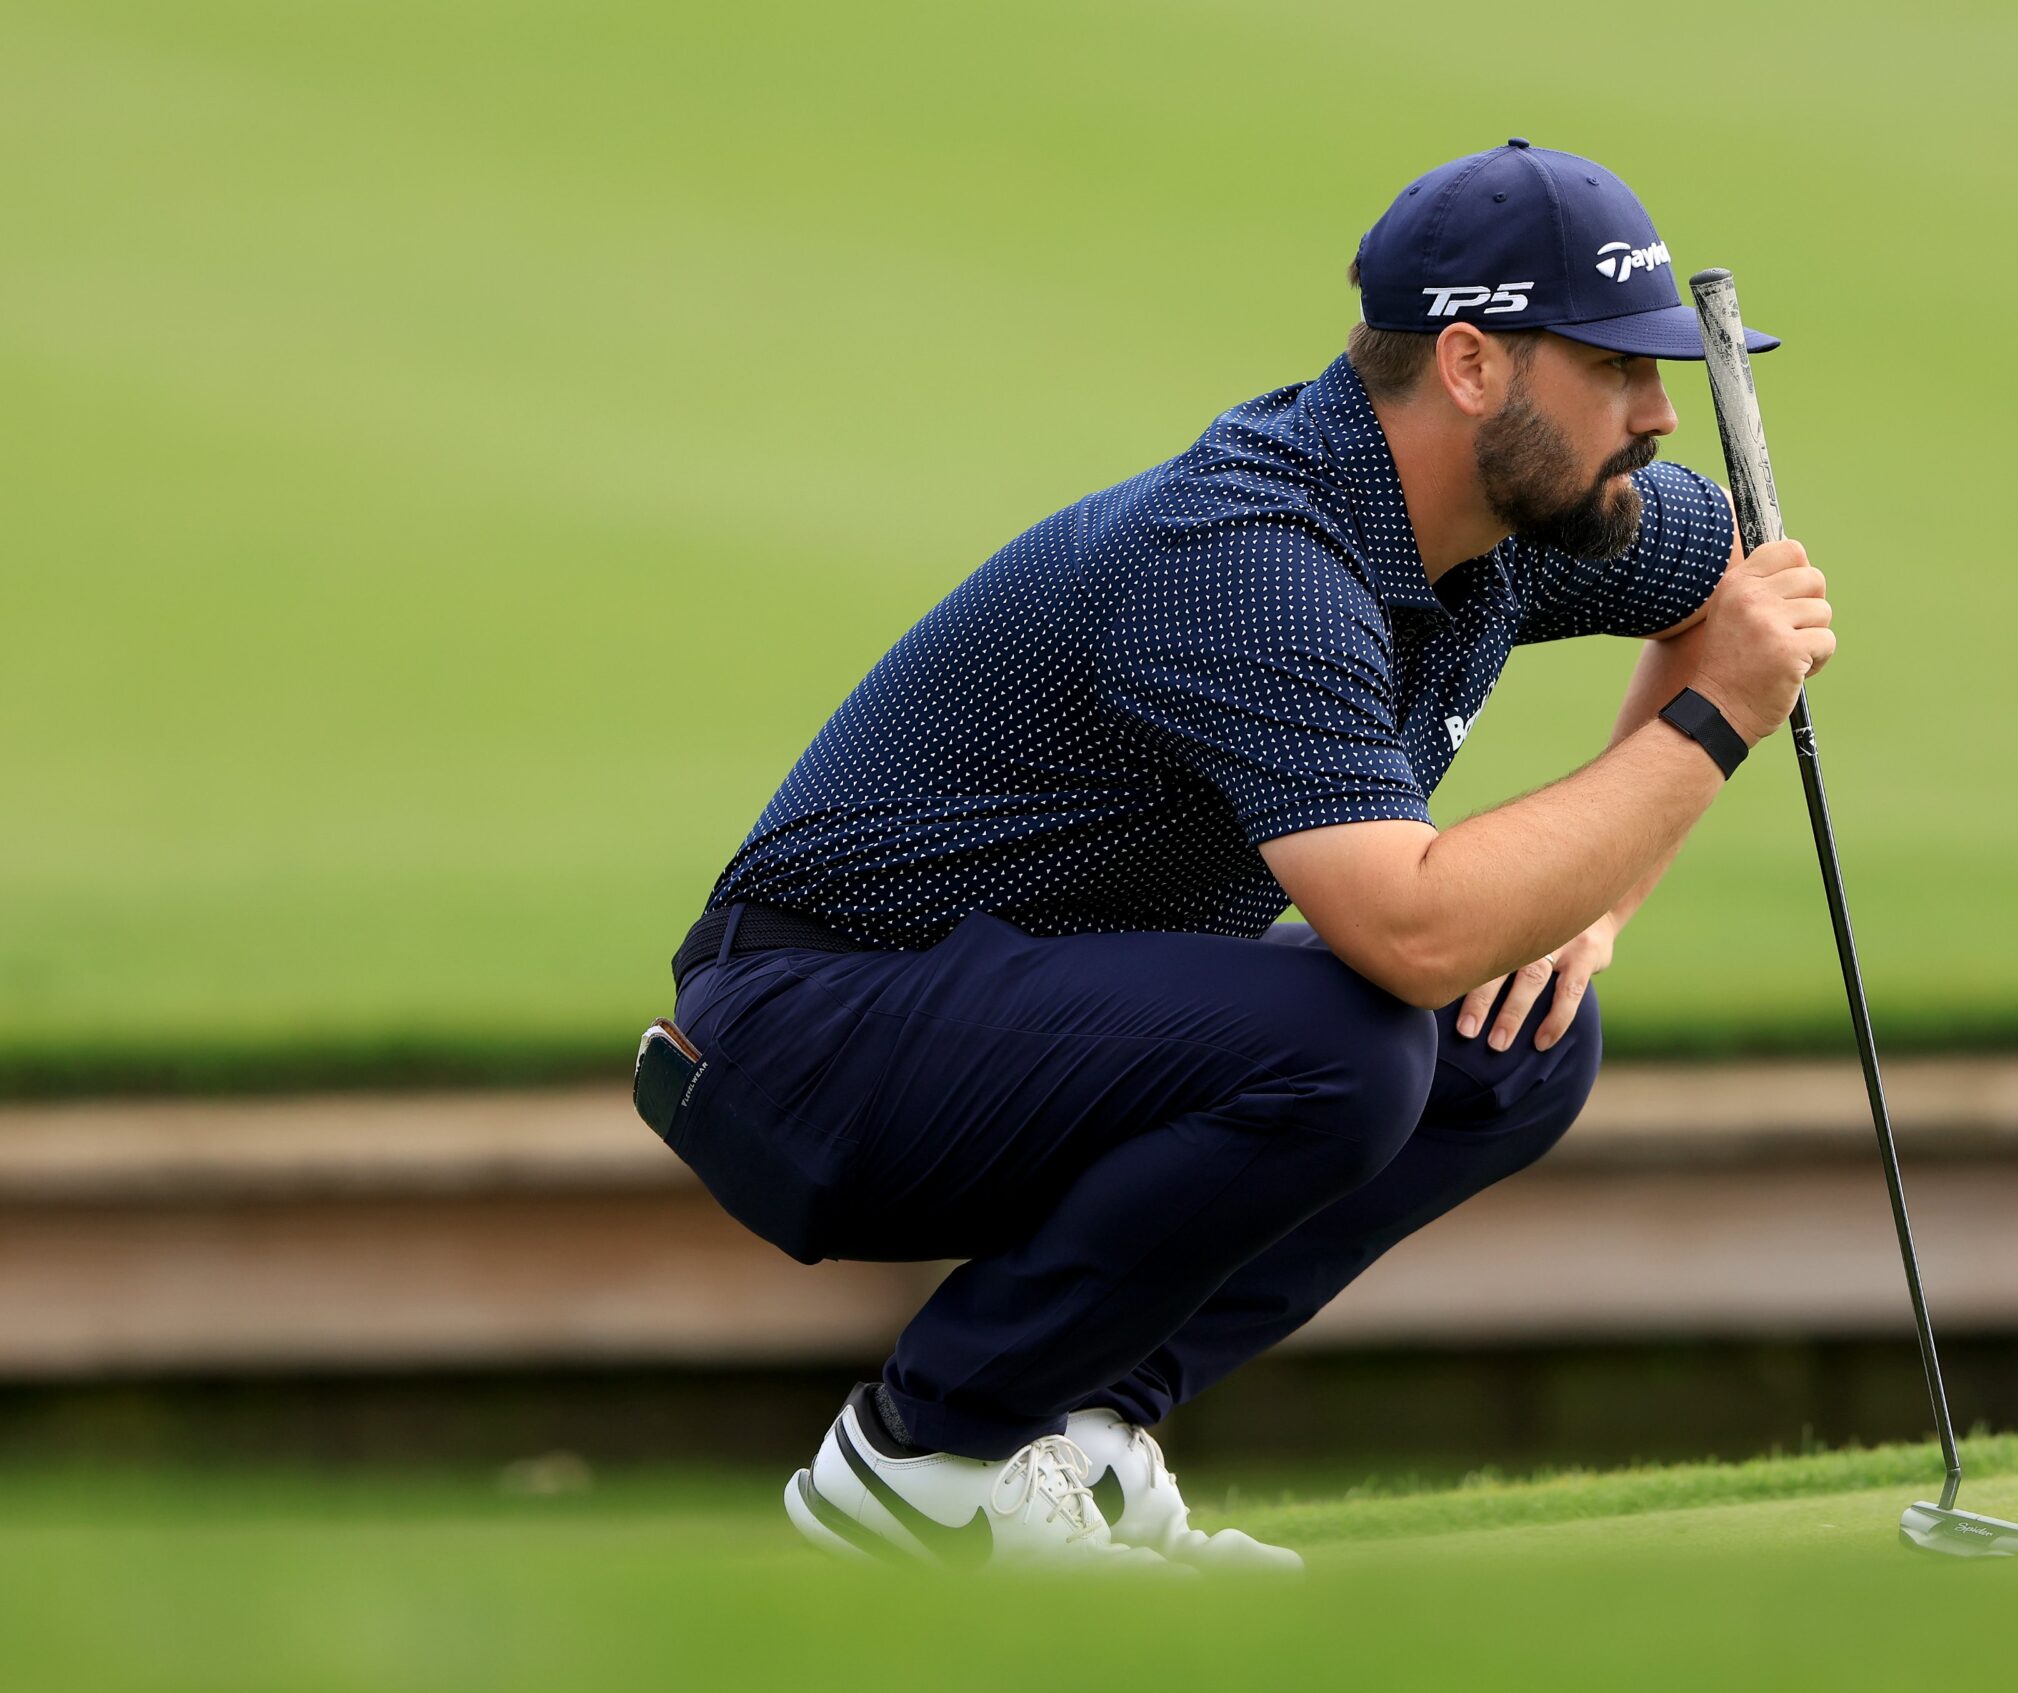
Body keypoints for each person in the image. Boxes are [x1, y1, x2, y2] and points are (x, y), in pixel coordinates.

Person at [641, 139, 1836, 1573]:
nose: (1656, 415)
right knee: (1358, 1038)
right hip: (812, 1044)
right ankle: (917, 1468)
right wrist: (1708, 733)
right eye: (1616, 372)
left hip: (1019, 1018)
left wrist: (1604, 904)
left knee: (1516, 1042)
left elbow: (1734, 603)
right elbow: (1408, 929)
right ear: (1470, 368)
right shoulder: (1253, 550)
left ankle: (1074, 1429)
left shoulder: (1529, 506)